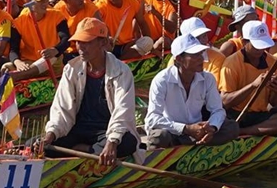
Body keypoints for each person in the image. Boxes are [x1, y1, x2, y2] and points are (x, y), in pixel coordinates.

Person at [42, 17, 140, 164]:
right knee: (37, 145)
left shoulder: (121, 71)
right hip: (77, 129)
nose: (80, 47)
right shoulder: (71, 69)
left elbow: (123, 111)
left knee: (127, 142)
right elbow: (61, 109)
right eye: (78, 42)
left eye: (86, 42)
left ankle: (85, 150)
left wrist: (112, 141)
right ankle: (88, 151)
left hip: (105, 131)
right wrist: (50, 135)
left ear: (103, 42)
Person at [144, 33, 242, 146]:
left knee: (232, 127)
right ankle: (190, 143)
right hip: (173, 131)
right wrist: (186, 128)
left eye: (201, 54)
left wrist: (211, 128)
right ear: (179, 59)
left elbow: (218, 110)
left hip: (199, 130)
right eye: (195, 55)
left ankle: (195, 141)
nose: (201, 59)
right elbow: (152, 118)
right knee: (161, 137)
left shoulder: (208, 78)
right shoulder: (162, 80)